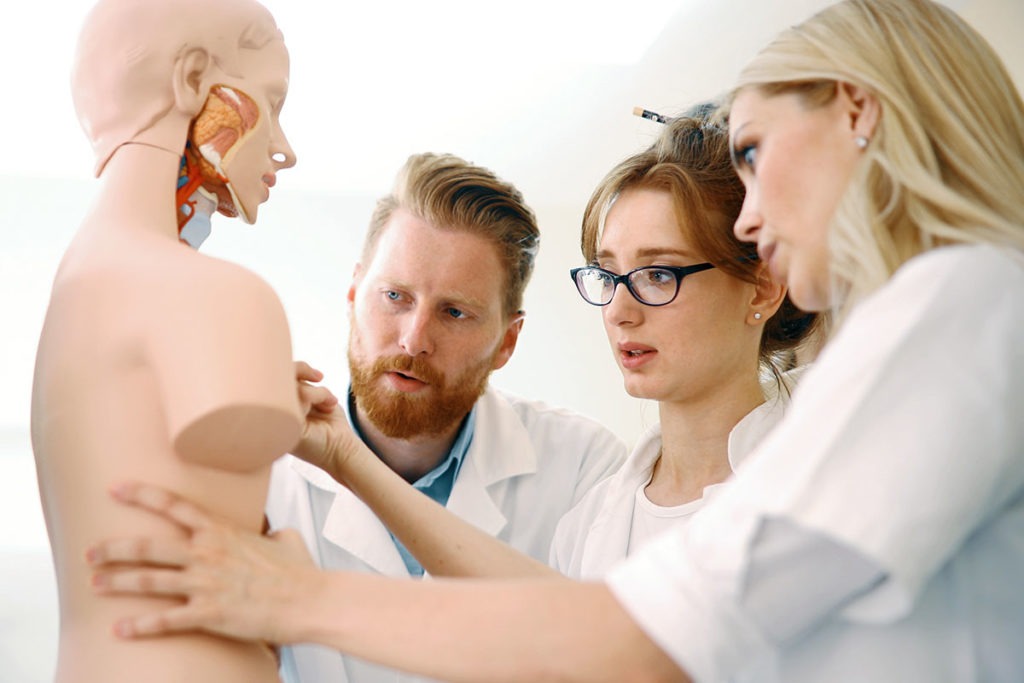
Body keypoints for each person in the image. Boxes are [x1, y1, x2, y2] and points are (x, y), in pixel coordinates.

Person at [86, 0, 1024, 680]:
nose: (748, 217)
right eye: (609, 274)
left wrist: (292, 597)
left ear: (857, 111)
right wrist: (339, 459)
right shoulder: (623, 496)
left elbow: (645, 636)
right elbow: (571, 610)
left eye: (752, 152)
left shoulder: (960, 300)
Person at [265, 151, 627, 682]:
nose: (413, 340)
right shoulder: (263, 468)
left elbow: (610, 659)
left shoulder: (583, 469)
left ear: (507, 341)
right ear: (352, 293)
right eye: (394, 296)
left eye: (454, 312)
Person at [32, 0, 301, 681]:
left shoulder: (74, 297)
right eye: (270, 103)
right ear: (191, 81)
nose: (284, 147)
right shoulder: (225, 298)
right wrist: (295, 567)